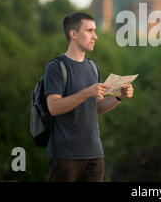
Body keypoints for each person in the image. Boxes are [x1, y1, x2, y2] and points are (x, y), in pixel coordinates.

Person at [43, 12, 133, 182]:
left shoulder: (93, 67)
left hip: (94, 155)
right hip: (65, 155)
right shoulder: (56, 67)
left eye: (95, 31)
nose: (95, 36)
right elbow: (54, 107)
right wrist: (86, 93)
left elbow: (96, 108)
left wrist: (118, 97)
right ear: (74, 34)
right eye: (90, 31)